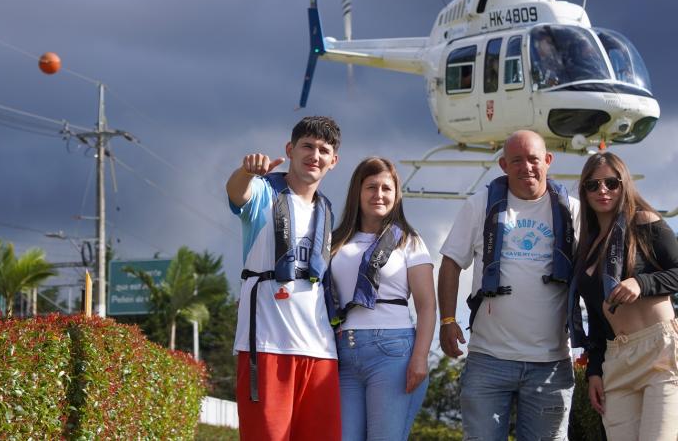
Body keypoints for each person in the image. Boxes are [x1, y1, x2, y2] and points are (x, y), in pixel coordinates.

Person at [438, 130, 580, 441]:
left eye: (534, 159)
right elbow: (450, 263)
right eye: (517, 160)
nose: (526, 167)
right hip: (489, 359)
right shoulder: (481, 204)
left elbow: (594, 272)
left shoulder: (572, 210)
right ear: (503, 164)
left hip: (551, 361)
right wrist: (447, 321)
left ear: (548, 161)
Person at [226, 115, 341, 440]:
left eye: (323, 150)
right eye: (307, 146)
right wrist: (246, 171)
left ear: (334, 161)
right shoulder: (263, 192)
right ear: (290, 149)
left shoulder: (327, 212)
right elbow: (236, 193)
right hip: (267, 346)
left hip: (320, 352)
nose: (314, 155)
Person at [571, 152, 678, 440]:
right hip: (617, 359)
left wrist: (642, 283)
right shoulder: (587, 248)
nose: (602, 190)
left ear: (624, 184)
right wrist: (594, 370)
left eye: (610, 182)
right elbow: (596, 316)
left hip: (660, 352)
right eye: (592, 185)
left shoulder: (643, 222)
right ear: (584, 192)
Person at [327, 157, 436, 440]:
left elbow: (426, 306)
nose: (379, 195)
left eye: (387, 188)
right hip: (343, 353)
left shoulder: (409, 241)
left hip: (392, 352)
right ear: (358, 192)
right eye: (371, 187)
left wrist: (420, 357)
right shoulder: (336, 240)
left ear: (396, 195)